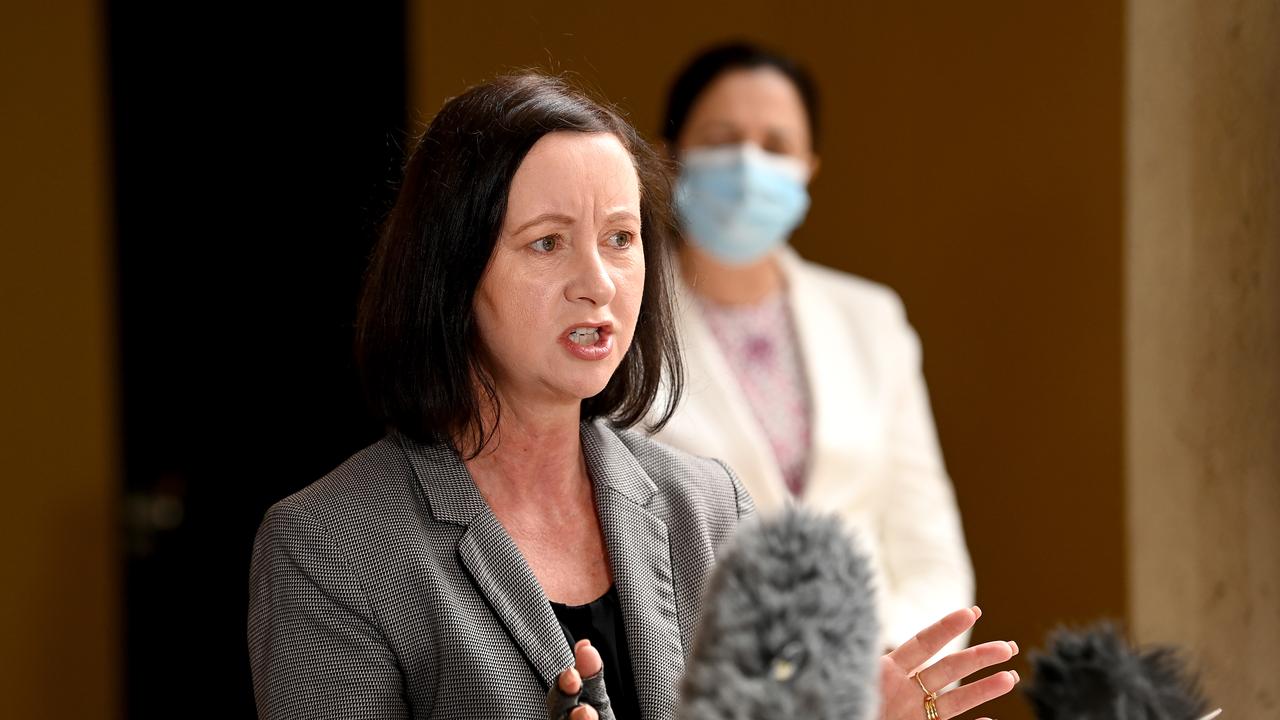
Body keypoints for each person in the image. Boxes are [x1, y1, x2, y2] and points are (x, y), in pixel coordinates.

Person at [247, 73, 1016, 720]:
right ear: (451, 272)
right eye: (547, 242)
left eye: (621, 239)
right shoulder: (328, 547)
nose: (599, 284)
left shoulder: (707, 506)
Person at [650, 43, 975, 653]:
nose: (749, 164)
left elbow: (928, 547)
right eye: (722, 139)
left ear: (809, 167)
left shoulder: (871, 319)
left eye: (776, 146)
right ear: (670, 158)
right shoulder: (626, 328)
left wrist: (880, 680)